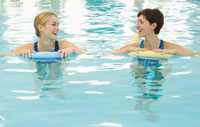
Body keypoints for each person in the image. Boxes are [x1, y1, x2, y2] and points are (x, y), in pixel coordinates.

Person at [113, 8, 199, 56]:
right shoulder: (134, 47)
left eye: (141, 22)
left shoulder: (168, 47)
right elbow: (110, 54)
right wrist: (129, 49)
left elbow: (195, 54)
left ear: (153, 26)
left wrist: (174, 52)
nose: (137, 26)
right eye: (137, 22)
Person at [12, 11, 82, 57]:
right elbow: (4, 55)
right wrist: (20, 52)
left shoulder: (63, 45)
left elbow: (85, 53)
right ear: (41, 28)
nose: (58, 28)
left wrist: (72, 50)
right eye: (54, 24)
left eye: (58, 25)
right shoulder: (30, 47)